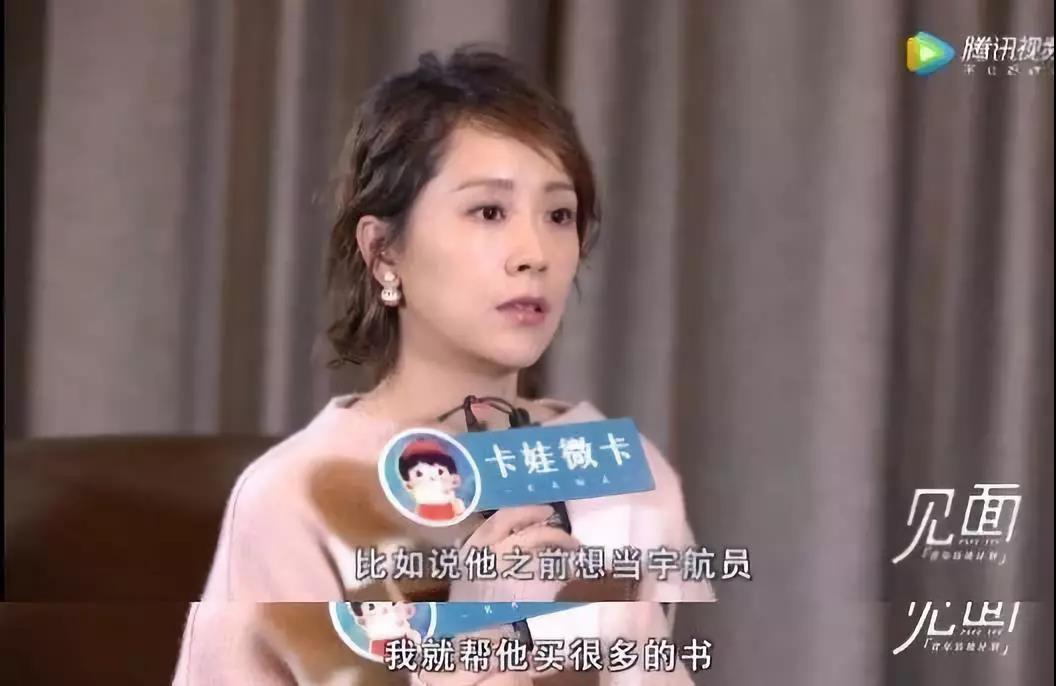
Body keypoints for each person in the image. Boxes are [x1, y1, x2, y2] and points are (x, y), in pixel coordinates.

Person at [173, 45, 713, 686]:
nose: (534, 253)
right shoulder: (293, 500)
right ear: (383, 252)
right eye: (489, 212)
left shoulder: (617, 467)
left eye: (559, 215)